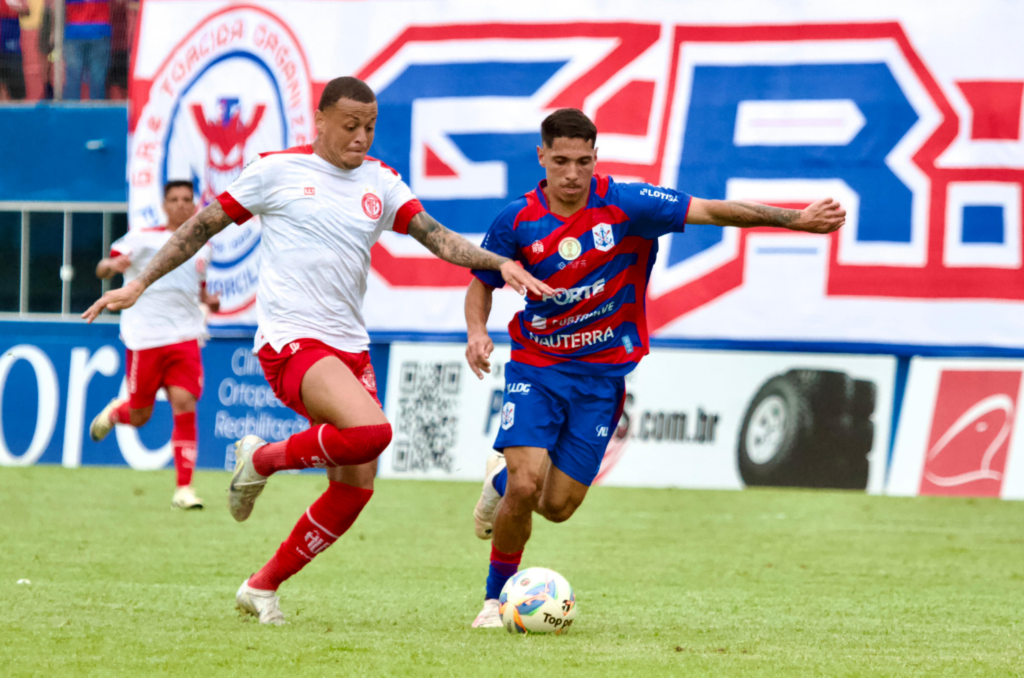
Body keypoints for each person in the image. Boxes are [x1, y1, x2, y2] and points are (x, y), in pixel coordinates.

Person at [82, 76, 554, 625]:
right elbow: (202, 227)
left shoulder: (382, 182)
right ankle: (261, 458)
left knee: (357, 486)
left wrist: (495, 262)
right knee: (374, 433)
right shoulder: (277, 170)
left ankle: (261, 587)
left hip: (350, 347)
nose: (361, 137)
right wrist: (139, 284)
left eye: (371, 127)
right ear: (322, 122)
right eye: (351, 126)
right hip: (290, 342)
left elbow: (436, 236)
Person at [464, 108, 846, 628]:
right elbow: (481, 282)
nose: (572, 174)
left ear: (596, 158)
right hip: (538, 366)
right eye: (560, 162)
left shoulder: (627, 205)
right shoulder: (517, 219)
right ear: (542, 158)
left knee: (556, 506)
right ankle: (493, 601)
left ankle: (500, 485)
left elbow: (715, 211)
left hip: (602, 379)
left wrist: (793, 219)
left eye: (583, 161)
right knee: (529, 483)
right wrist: (478, 332)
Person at [89, 180, 219, 511]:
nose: (180, 204)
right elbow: (104, 266)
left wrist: (210, 301)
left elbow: (198, 287)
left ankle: (184, 489)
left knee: (185, 403)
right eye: (173, 199)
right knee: (139, 414)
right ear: (164, 204)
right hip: (145, 338)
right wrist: (112, 267)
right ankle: (117, 411)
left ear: (195, 204)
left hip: (185, 337)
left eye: (186, 199)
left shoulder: (202, 243)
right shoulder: (142, 237)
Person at [63, 0, 112, 100]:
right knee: (93, 79)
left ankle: (71, 112)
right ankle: (94, 113)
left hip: (82, 32)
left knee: (77, 78)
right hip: (93, 32)